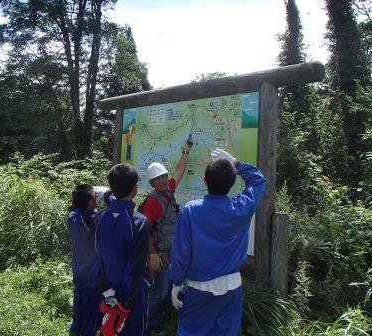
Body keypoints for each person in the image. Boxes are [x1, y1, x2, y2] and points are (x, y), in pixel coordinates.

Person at [169, 148, 266, 336]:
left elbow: (182, 253)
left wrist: (176, 283)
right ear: (232, 182)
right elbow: (258, 181)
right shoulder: (241, 207)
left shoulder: (191, 211)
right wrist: (236, 164)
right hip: (232, 289)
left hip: (199, 289)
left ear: (204, 181)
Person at [142, 137, 193, 331]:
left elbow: (179, 172)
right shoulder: (153, 202)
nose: (163, 181)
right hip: (162, 252)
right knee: (160, 289)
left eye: (164, 177)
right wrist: (152, 253)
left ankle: (162, 316)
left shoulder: (168, 192)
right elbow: (145, 228)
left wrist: (185, 151)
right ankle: (149, 324)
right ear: (152, 183)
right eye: (158, 179)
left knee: (172, 284)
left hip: (174, 251)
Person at [95, 164, 152, 336]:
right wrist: (126, 297)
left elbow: (97, 256)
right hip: (131, 293)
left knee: (110, 329)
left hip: (107, 289)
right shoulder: (140, 222)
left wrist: (108, 291)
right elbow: (135, 264)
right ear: (134, 188)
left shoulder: (99, 217)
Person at [67, 184, 111, 336]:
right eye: (94, 199)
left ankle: (75, 330)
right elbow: (110, 213)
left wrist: (90, 194)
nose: (96, 201)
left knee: (79, 305)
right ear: (88, 203)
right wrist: (108, 194)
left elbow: (83, 208)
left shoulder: (72, 215)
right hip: (92, 276)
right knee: (92, 310)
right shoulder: (90, 221)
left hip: (78, 271)